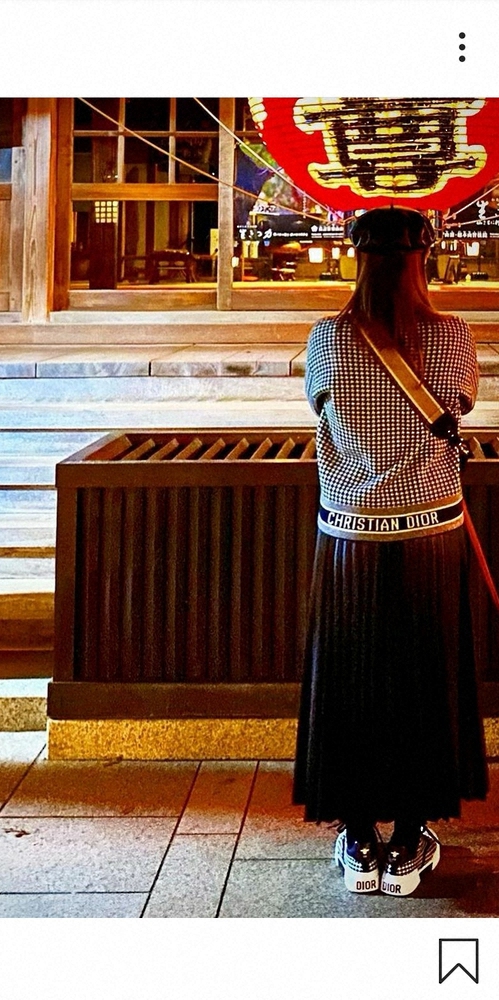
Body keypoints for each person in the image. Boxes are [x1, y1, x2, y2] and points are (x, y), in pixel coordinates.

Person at [293, 207, 488, 897]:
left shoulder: (327, 337)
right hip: (431, 534)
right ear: (421, 260)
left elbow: (319, 407)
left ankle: (356, 840)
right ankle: (408, 841)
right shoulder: (453, 335)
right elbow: (460, 406)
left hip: (349, 533)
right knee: (422, 682)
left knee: (350, 679)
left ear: (358, 260)